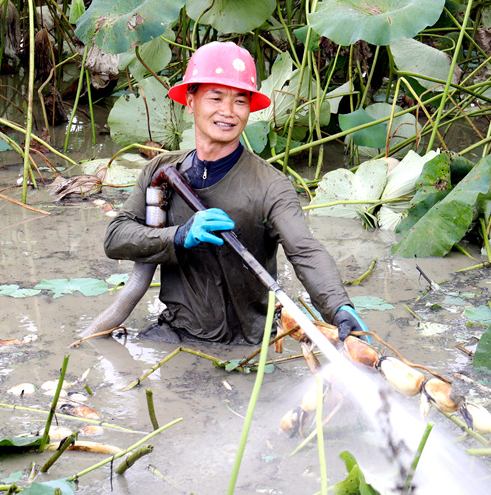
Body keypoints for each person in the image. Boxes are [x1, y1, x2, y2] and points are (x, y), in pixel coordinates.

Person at [103, 41, 368, 344]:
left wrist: (339, 308)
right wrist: (177, 236)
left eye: (240, 101)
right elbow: (116, 238)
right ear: (190, 101)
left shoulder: (271, 185)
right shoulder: (160, 171)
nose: (228, 112)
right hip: (174, 333)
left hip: (249, 343)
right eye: (216, 98)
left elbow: (305, 250)